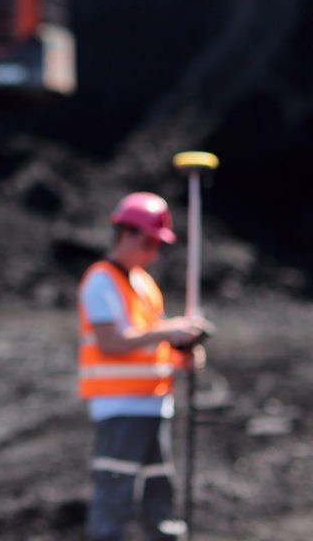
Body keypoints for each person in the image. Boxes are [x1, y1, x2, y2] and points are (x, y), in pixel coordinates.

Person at [77, 192, 212, 541]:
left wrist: (182, 355)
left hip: (153, 404)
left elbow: (151, 345)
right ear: (126, 234)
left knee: (159, 494)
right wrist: (168, 330)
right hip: (119, 407)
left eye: (158, 244)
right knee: (114, 497)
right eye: (149, 242)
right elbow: (111, 342)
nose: (153, 251)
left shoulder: (144, 283)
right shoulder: (101, 280)